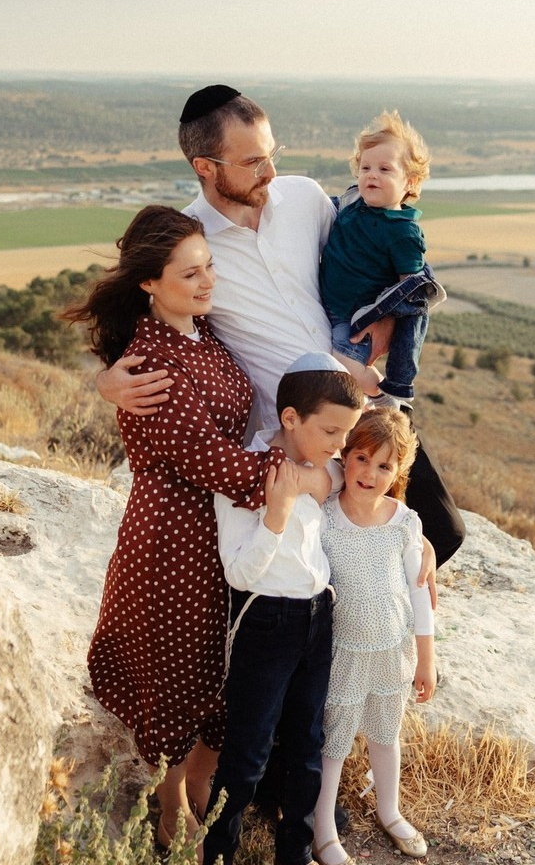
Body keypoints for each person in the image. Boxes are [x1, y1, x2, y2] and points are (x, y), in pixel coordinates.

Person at [97, 85, 466, 569]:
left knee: (441, 533)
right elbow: (137, 313)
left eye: (272, 154)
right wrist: (106, 382)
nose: (270, 171)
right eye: (252, 162)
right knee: (330, 571)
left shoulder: (304, 197)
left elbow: (378, 257)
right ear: (204, 167)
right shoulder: (188, 242)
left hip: (366, 409)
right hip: (293, 440)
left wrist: (389, 326)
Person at [61, 206, 332, 847]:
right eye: (191, 273)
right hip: (174, 536)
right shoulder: (152, 365)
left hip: (221, 530)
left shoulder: (202, 333)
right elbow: (215, 462)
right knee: (178, 668)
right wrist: (312, 476)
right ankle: (170, 799)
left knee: (219, 665)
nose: (209, 280)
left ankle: (202, 788)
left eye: (209, 265)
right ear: (150, 284)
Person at [203, 353, 366, 865]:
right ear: (290, 419)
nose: (341, 446)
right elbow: (239, 573)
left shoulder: (320, 466)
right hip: (265, 619)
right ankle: (219, 852)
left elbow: (339, 475)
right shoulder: (245, 474)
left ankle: (294, 852)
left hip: (319, 615)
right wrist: (275, 517)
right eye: (333, 432)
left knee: (306, 746)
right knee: (247, 753)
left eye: (347, 433)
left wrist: (322, 475)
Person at [312, 411, 436, 865]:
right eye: (361, 458)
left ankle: (390, 809)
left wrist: (426, 658)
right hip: (343, 653)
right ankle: (323, 828)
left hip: (391, 650)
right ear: (344, 456)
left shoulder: (404, 522)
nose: (369, 472)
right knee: (335, 741)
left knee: (387, 733)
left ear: (398, 473)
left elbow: (419, 591)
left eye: (384, 466)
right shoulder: (325, 519)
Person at [320, 110, 444, 409]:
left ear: (410, 182)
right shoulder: (353, 202)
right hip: (328, 305)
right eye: (365, 168)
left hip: (355, 319)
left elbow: (412, 295)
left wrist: (400, 366)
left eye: (385, 169)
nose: (371, 175)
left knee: (338, 363)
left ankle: (386, 400)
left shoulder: (403, 232)